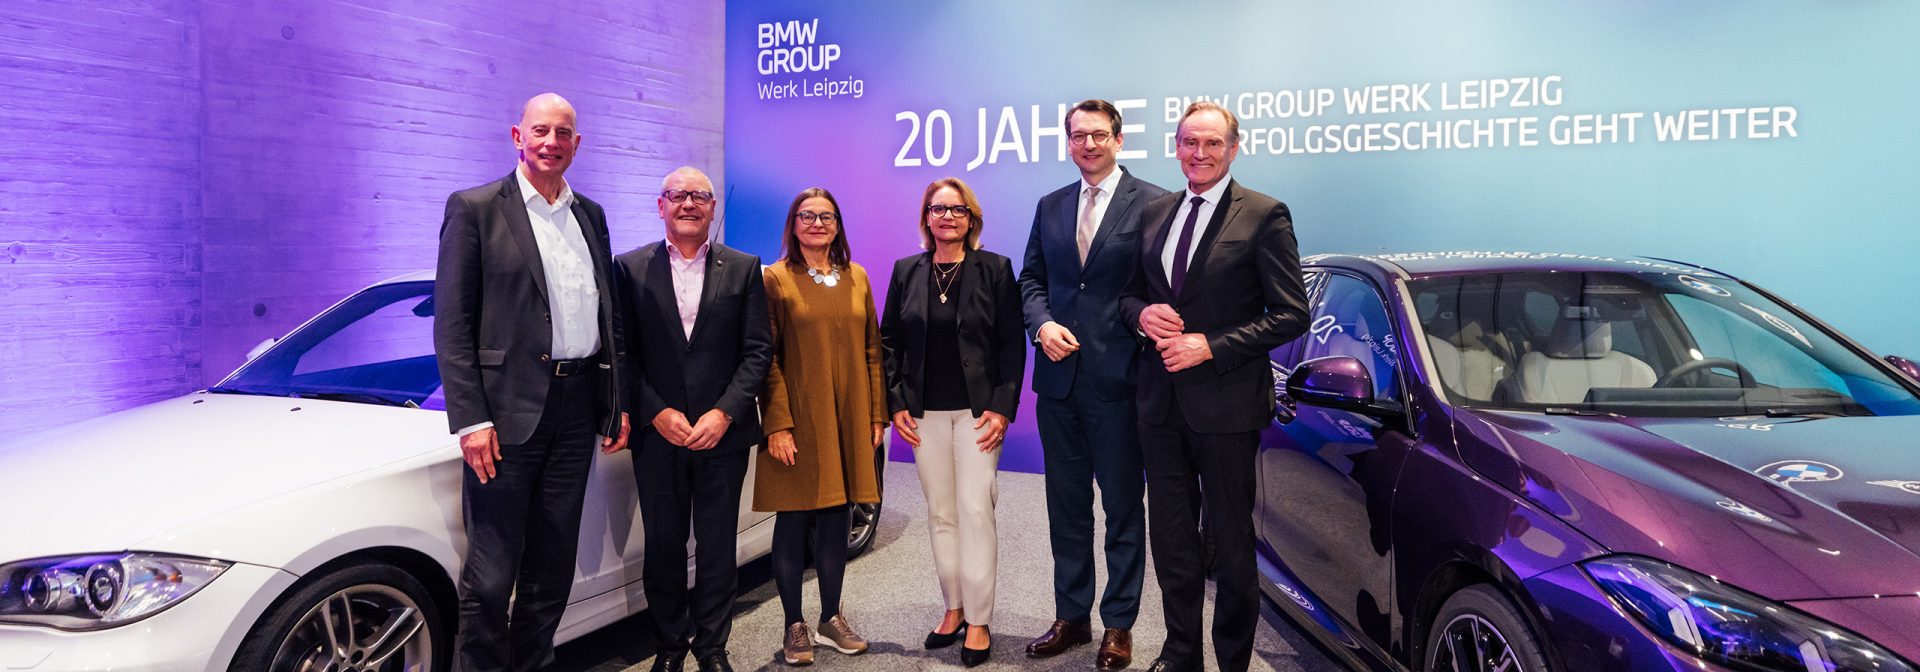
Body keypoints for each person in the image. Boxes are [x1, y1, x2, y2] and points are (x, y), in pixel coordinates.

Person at [433, 92, 630, 672]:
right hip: (505, 412)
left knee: (552, 563)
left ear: (577, 143)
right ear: (517, 137)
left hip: (575, 410)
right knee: (491, 576)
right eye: (540, 131)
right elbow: (454, 324)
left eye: (563, 133)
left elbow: (607, 317)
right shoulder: (474, 208)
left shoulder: (590, 215)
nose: (551, 142)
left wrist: (613, 402)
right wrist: (470, 417)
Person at [1119, 101, 1310, 672]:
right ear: (1175, 147)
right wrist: (1140, 316)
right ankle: (1181, 654)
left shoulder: (1264, 214)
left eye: (1211, 144)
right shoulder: (1156, 212)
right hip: (1159, 405)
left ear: (1233, 146)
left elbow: (1290, 313)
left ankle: (1232, 661)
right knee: (1172, 542)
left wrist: (1211, 345)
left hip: (1227, 407)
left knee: (1230, 547)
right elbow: (1129, 295)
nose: (1198, 154)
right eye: (1187, 143)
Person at [1017, 99, 1170, 670]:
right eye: (1078, 135)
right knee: (1067, 508)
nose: (1088, 144)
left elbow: (1158, 287)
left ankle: (1120, 624)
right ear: (1068, 141)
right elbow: (1033, 279)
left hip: (1122, 382)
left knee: (1125, 510)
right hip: (1058, 385)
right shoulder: (1050, 205)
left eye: (1098, 135)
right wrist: (1042, 324)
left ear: (1119, 139)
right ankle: (1072, 616)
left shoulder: (1154, 202)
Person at [612, 166, 772, 672]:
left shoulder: (744, 268)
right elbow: (622, 353)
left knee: (718, 544)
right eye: (678, 195)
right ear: (660, 205)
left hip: (721, 435)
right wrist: (654, 412)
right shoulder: (629, 268)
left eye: (700, 196)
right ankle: (669, 645)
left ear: (712, 207)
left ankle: (712, 646)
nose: (689, 204)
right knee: (663, 545)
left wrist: (725, 413)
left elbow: (757, 352)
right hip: (659, 435)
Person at [880, 177, 1026, 668]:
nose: (946, 217)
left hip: (979, 412)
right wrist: (895, 400)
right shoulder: (907, 270)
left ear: (971, 218)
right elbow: (889, 342)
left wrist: (1004, 407)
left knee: (974, 507)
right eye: (937, 209)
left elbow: (1011, 343)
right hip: (923, 413)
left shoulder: (995, 269)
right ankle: (953, 607)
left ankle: (980, 619)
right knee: (941, 511)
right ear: (926, 217)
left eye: (956, 210)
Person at [754, 187, 885, 667]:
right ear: (793, 224)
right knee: (792, 518)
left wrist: (876, 415)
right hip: (798, 418)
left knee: (838, 514)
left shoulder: (857, 277)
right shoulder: (774, 279)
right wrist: (778, 425)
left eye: (826, 216)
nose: (816, 223)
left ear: (837, 225)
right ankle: (794, 624)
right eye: (806, 215)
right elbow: (764, 360)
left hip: (849, 415)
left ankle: (831, 617)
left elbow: (873, 350)